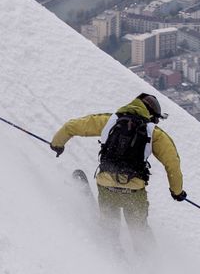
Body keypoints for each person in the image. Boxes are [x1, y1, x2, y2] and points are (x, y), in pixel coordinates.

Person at [50, 93, 187, 235]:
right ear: (151, 115)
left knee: (109, 229)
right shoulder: (155, 133)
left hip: (106, 185)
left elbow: (71, 126)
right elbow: (172, 164)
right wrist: (177, 192)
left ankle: (110, 246)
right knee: (140, 231)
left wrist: (57, 144)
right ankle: (143, 248)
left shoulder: (110, 121)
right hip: (134, 191)